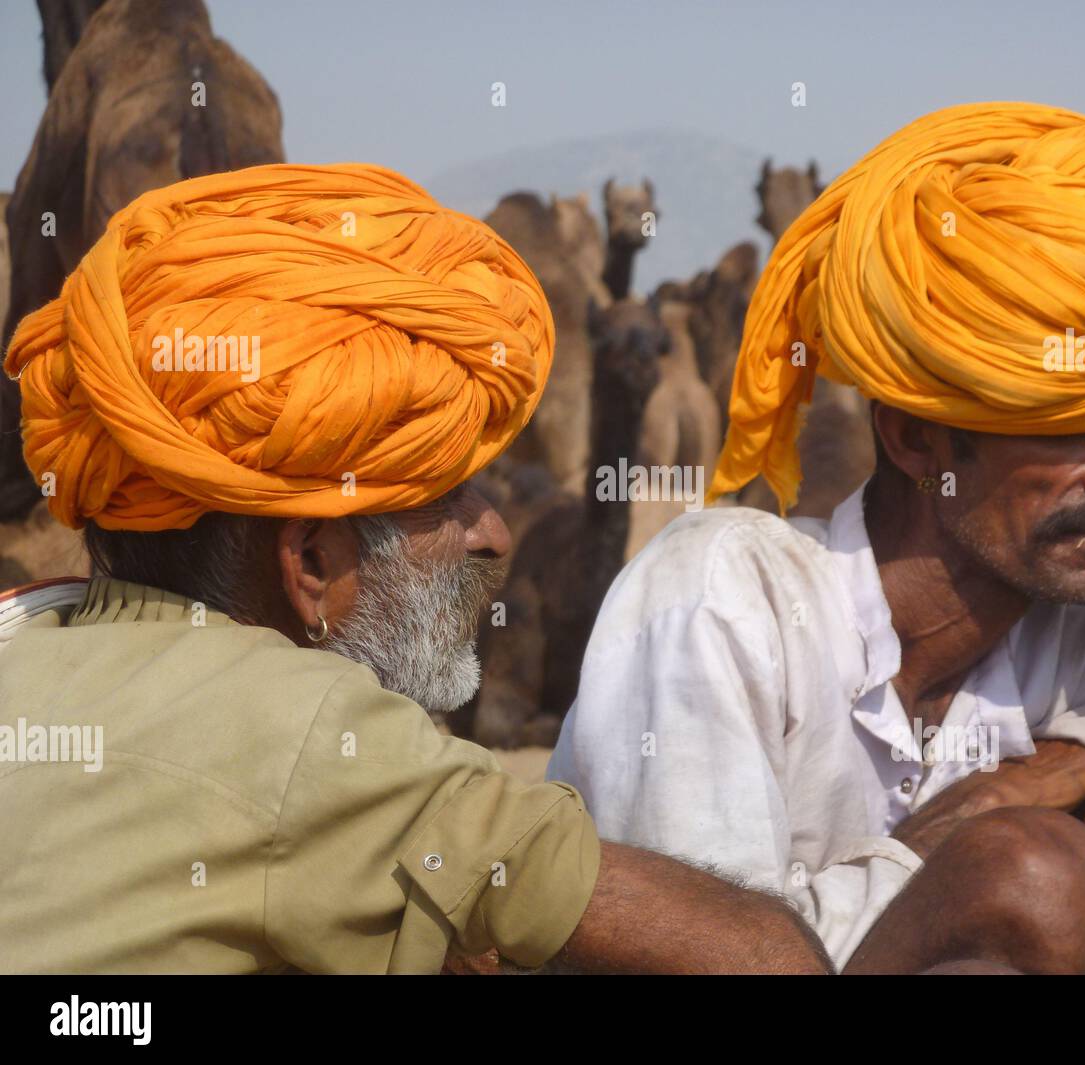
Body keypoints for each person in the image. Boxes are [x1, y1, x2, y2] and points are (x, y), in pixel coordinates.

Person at [0, 163, 830, 975]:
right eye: (446, 498)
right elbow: (764, 958)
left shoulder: (23, 633)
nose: (496, 534)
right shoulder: (319, 736)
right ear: (313, 565)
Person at [549, 102, 1085, 974]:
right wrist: (956, 848)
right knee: (1035, 879)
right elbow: (710, 959)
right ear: (914, 440)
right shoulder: (724, 597)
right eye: (1070, 435)